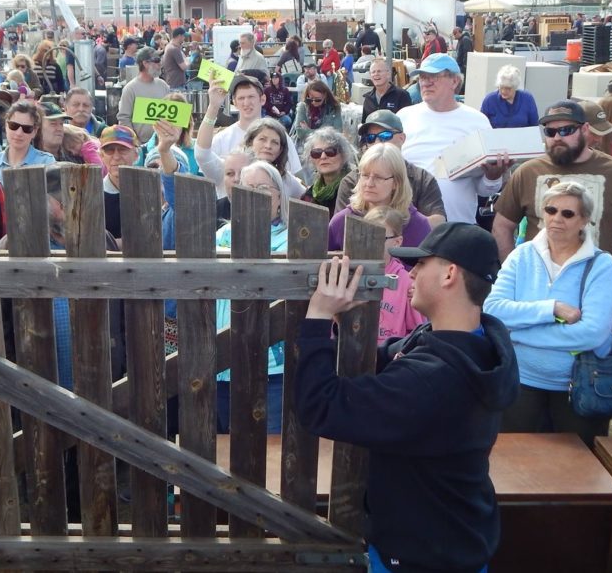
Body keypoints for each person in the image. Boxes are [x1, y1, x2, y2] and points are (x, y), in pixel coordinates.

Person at [296, 226, 518, 573]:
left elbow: (319, 406)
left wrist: (318, 316)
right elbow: (384, 359)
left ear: (449, 274)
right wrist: (342, 326)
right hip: (455, 536)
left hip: (422, 556)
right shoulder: (476, 342)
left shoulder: (431, 380)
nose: (411, 273)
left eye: (421, 264)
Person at [485, 181, 612, 446]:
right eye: (551, 210)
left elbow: (592, 333)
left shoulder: (602, 264)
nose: (557, 218)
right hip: (520, 381)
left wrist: (519, 334)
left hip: (579, 386)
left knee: (579, 472)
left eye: (568, 213)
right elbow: (493, 310)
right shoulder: (520, 255)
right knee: (515, 466)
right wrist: (551, 309)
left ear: (584, 220)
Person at [493, 100, 612, 275]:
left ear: (584, 129)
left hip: (591, 287)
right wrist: (514, 275)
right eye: (550, 132)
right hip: (536, 286)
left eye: (566, 130)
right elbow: (502, 226)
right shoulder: (528, 171)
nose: (557, 137)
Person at [214, 161, 292, 434]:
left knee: (267, 449)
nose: (255, 195)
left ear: (279, 198)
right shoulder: (220, 237)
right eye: (247, 189)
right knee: (224, 449)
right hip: (221, 364)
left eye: (263, 189)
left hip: (271, 368)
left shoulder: (292, 239)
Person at [398, 53, 507, 224]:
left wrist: (492, 177)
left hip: (457, 228)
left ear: (454, 81)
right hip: (408, 229)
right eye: (422, 77)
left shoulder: (477, 121)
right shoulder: (404, 117)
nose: (426, 82)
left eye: (433, 76)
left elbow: (483, 190)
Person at [335, 110, 447, 225]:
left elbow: (438, 222)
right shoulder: (351, 180)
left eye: (385, 136)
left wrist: (396, 229)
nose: (377, 142)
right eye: (370, 137)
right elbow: (342, 225)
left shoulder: (422, 179)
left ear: (402, 138)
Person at [329, 143, 430, 251]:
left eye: (378, 177)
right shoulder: (341, 221)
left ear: (396, 182)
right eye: (365, 175)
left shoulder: (418, 225)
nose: (369, 183)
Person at [361, 207, 425, 339]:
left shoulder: (407, 282)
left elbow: (416, 332)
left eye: (378, 236)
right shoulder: (349, 273)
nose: (370, 242)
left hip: (388, 356)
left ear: (397, 242)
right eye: (365, 235)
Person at [0, 99, 55, 183]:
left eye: (27, 128)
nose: (19, 133)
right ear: (6, 125)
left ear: (34, 131)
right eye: (13, 126)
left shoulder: (46, 162)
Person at [117, 47, 171, 143]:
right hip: (140, 145)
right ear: (145, 63)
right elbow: (124, 119)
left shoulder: (163, 85)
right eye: (156, 60)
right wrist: (134, 142)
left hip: (162, 143)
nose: (160, 64)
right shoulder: (130, 89)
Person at [300, 127, 356, 216]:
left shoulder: (353, 191)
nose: (323, 157)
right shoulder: (308, 196)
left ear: (343, 155)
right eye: (316, 153)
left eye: (330, 151)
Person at [480, 64, 539, 129]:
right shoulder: (489, 100)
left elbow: (534, 126)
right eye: (501, 87)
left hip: (521, 138)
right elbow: (481, 124)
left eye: (508, 88)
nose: (503, 91)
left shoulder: (527, 99)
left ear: (515, 87)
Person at [290, 78, 341, 149]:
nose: (313, 102)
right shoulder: (303, 106)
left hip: (327, 146)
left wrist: (308, 130)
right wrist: (325, 131)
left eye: (317, 100)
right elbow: (300, 133)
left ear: (325, 95)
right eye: (310, 99)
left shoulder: (334, 108)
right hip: (303, 146)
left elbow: (337, 132)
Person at [361, 57, 411, 122]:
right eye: (373, 72)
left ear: (388, 74)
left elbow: (408, 123)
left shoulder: (402, 95)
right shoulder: (368, 99)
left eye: (379, 71)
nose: (376, 74)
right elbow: (365, 125)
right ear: (370, 76)